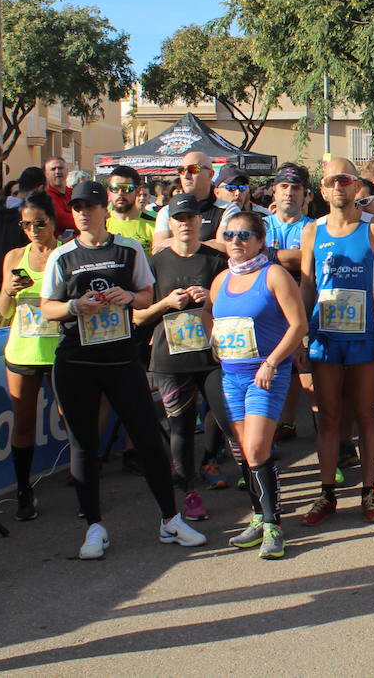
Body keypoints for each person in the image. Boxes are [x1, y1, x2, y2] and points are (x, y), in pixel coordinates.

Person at [38, 180, 206, 559]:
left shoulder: (128, 249)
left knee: (148, 438)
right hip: (76, 361)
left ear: (104, 209)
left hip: (120, 357)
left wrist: (129, 297)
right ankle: (94, 527)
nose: (82, 213)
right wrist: (74, 308)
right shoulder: (62, 255)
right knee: (83, 445)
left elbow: (147, 294)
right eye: (76, 206)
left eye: (89, 206)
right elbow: (46, 306)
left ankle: (170, 519)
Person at [205, 211, 308, 559]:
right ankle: (258, 518)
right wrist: (215, 344)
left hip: (265, 374)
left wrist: (272, 362)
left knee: (257, 449)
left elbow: (298, 326)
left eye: (245, 235)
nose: (236, 241)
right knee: (245, 454)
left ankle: (273, 524)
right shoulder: (220, 281)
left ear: (260, 241)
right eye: (230, 235)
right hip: (231, 376)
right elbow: (212, 316)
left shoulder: (274, 275)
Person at [298, 159, 374, 525]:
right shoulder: (312, 231)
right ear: (322, 190)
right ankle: (326, 494)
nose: (338, 186)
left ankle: (369, 492)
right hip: (324, 337)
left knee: (366, 415)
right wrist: (302, 337)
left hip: (364, 336)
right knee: (329, 418)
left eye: (344, 179)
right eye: (330, 181)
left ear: (357, 187)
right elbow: (307, 285)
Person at [134, 194, 231, 525]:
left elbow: (234, 305)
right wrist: (165, 304)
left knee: (223, 414)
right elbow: (137, 317)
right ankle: (189, 491)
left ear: (198, 222)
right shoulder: (155, 262)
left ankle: (219, 465)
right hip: (170, 358)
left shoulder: (216, 259)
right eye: (179, 218)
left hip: (211, 354)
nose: (186, 223)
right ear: (170, 223)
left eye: (191, 218)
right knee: (181, 426)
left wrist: (211, 301)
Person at [0, 191, 63, 521]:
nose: (33, 229)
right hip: (23, 349)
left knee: (71, 419)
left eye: (39, 222)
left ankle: (84, 485)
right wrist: (9, 291)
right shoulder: (13, 257)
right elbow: (3, 311)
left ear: (52, 220)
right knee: (23, 422)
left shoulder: (65, 253)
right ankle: (24, 491)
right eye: (26, 224)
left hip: (60, 349)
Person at [263, 164, 313, 441]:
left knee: (303, 368)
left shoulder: (312, 227)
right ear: (274, 190)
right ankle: (272, 425)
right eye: (284, 186)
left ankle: (294, 423)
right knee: (270, 364)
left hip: (303, 306)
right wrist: (293, 256)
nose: (289, 193)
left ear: (306, 194)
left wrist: (269, 254)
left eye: (295, 188)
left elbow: (309, 259)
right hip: (269, 308)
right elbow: (248, 255)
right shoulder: (261, 224)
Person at [152, 152, 239, 254]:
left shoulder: (228, 210)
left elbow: (225, 247)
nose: (186, 176)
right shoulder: (167, 211)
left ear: (210, 174)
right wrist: (208, 243)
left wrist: (180, 243)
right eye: (182, 170)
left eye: (193, 169)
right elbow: (157, 248)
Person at [105, 165, 156, 255]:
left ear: (137, 191)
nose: (120, 193)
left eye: (126, 188)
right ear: (109, 191)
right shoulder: (101, 224)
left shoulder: (153, 225)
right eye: (115, 188)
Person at [43, 156, 75, 235]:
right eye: (53, 169)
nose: (57, 172)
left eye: (60, 168)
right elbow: (60, 219)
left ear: (67, 171)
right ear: (46, 174)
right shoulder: (45, 196)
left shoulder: (74, 193)